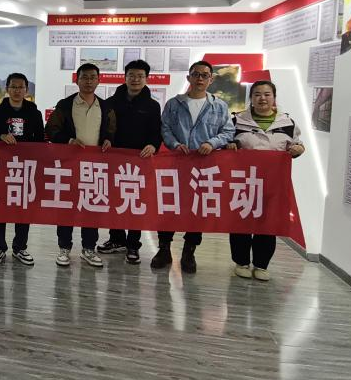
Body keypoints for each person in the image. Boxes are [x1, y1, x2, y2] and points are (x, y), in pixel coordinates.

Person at [153, 60, 235, 274]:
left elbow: (228, 132)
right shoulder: (174, 104)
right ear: (188, 77)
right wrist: (174, 144)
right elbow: (165, 128)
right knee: (169, 207)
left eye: (204, 75)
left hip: (204, 166)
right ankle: (164, 249)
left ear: (211, 79)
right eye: (196, 74)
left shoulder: (219, 106)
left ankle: (189, 252)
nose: (200, 78)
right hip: (176, 165)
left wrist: (212, 143)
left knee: (198, 209)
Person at [227, 80, 305, 281]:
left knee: (268, 224)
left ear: (274, 97)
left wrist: (299, 149)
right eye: (257, 94)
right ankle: (241, 262)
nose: (262, 98)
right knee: (241, 222)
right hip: (243, 182)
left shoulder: (287, 123)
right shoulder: (236, 120)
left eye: (267, 94)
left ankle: (261, 265)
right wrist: (230, 146)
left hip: (273, 184)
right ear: (251, 98)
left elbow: (297, 144)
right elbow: (227, 141)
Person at [45, 63, 115, 268]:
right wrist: (68, 140)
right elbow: (51, 129)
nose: (89, 81)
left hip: (95, 168)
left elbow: (112, 130)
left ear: (99, 80)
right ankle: (64, 248)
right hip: (69, 166)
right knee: (66, 208)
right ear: (77, 80)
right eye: (84, 77)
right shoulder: (66, 104)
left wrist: (108, 139)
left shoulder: (106, 107)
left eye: (93, 77)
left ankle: (88, 249)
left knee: (91, 209)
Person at [97, 59, 162, 264]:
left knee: (135, 202)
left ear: (146, 79)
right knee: (115, 201)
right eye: (131, 75)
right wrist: (106, 139)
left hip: (140, 161)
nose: (135, 79)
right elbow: (104, 127)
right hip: (114, 160)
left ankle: (133, 244)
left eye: (140, 76)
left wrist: (153, 145)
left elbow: (156, 132)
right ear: (125, 77)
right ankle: (117, 239)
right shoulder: (111, 102)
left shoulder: (152, 106)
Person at [0, 72, 44, 266]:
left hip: (25, 168)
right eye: (13, 87)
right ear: (7, 89)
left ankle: (20, 247)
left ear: (26, 90)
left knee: (23, 208)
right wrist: (1, 136)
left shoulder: (34, 113)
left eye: (21, 87)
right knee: (0, 207)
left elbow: (40, 140)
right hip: (2, 167)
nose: (17, 90)